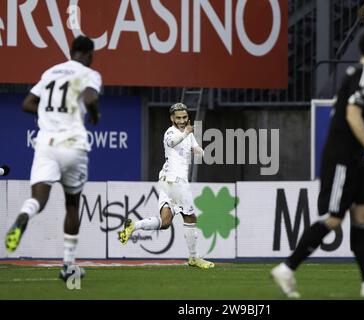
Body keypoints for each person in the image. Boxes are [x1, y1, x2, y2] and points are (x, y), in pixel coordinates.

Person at [271, 31, 364, 298]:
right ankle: (287, 268)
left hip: (354, 159)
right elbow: (352, 114)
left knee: (363, 216)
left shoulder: (358, 76)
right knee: (333, 219)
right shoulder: (363, 76)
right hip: (343, 157)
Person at [4, 36, 101, 281]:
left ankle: (24, 215)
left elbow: (27, 104)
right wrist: (95, 115)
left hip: (46, 144)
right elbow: (89, 99)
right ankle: (68, 266)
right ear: (89, 55)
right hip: (73, 145)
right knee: (72, 204)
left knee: (38, 198)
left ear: (71, 51)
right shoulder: (89, 73)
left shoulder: (50, 72)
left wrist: (49, 111)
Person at [118, 103, 214, 269]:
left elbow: (196, 148)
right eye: (178, 118)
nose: (182, 120)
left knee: (165, 222)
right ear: (172, 119)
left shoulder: (188, 133)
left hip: (168, 180)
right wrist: (186, 133)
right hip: (175, 180)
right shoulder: (171, 132)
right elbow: (172, 142)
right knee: (190, 217)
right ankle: (193, 258)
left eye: (184, 117)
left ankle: (133, 226)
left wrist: (204, 151)